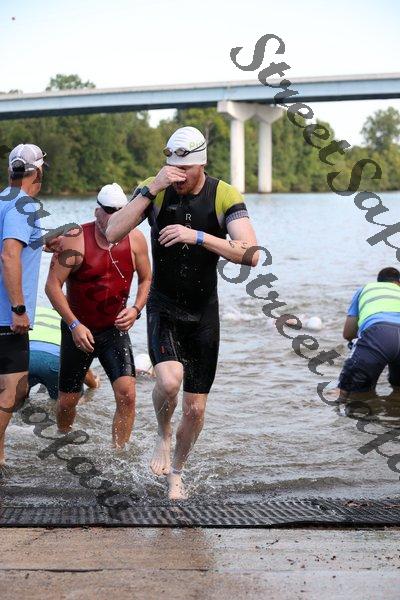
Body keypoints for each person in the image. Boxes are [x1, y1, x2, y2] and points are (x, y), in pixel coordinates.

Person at [106, 126, 259, 499]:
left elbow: (252, 253)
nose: (177, 175)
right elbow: (112, 232)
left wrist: (199, 237)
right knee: (170, 381)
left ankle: (177, 473)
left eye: (185, 169)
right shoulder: (155, 189)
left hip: (204, 314)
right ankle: (162, 433)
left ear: (201, 164)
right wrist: (151, 188)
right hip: (164, 306)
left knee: (194, 409)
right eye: (172, 167)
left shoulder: (223, 194)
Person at [45, 183, 151, 449]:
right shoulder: (75, 239)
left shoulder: (136, 239)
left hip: (114, 330)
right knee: (67, 401)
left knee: (127, 395)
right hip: (78, 331)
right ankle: (63, 438)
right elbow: (52, 286)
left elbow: (147, 279)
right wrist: (74, 324)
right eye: (109, 211)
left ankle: (118, 453)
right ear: (97, 211)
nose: (114, 216)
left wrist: (136, 309)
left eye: (120, 211)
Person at [0, 144, 47, 465]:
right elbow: (9, 255)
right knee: (13, 392)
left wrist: (44, 240)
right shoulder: (23, 205)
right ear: (38, 173)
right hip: (8, 317)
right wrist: (19, 309)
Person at [339, 267, 400, 399]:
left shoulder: (366, 289)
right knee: (397, 389)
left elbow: (348, 334)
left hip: (378, 333)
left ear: (379, 282)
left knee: (349, 393)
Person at [28, 306, 99, 400]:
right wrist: (94, 384)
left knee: (17, 401)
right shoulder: (73, 322)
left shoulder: (35, 310)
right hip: (55, 363)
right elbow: (79, 364)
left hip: (26, 360)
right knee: (71, 401)